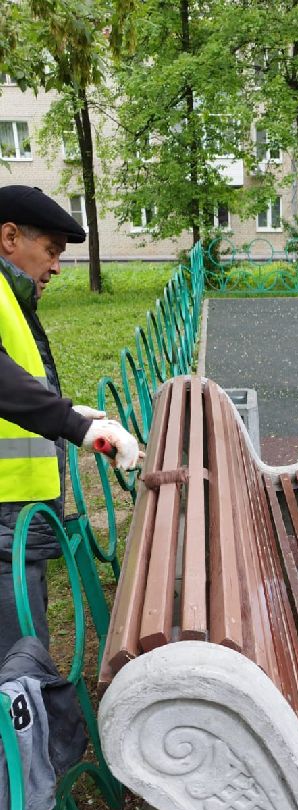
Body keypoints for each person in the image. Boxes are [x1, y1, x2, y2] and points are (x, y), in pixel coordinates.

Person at [0, 184, 141, 663]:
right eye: (52, 251)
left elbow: (17, 382)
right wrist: (72, 424)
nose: (57, 266)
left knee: (24, 644)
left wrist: (68, 411)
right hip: (3, 511)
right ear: (9, 236)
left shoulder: (11, 294)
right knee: (17, 662)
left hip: (18, 506)